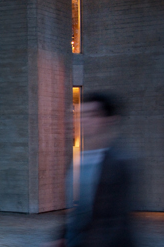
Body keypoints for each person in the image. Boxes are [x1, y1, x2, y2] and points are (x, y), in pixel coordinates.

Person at [48, 92, 136, 247]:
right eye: (81, 114)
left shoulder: (118, 164)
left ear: (108, 120)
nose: (83, 120)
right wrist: (61, 237)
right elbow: (77, 211)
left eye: (92, 115)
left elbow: (113, 222)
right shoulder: (79, 161)